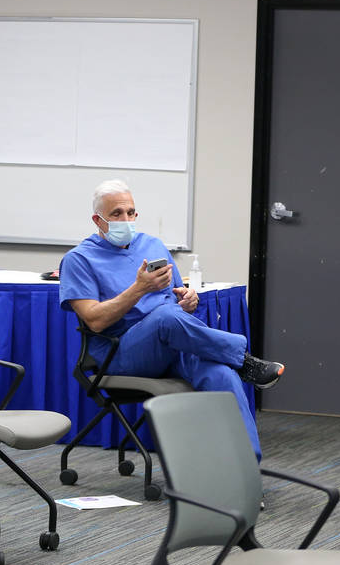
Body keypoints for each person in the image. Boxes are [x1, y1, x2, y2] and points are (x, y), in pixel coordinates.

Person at [59, 180, 284, 460]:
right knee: (166, 317)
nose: (126, 220)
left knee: (221, 375)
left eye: (131, 212)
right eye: (117, 214)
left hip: (170, 344)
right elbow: (94, 321)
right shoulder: (79, 260)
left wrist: (189, 300)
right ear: (98, 219)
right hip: (119, 352)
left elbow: (178, 305)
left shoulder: (152, 245)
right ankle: (244, 360)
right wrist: (139, 288)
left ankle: (245, 472)